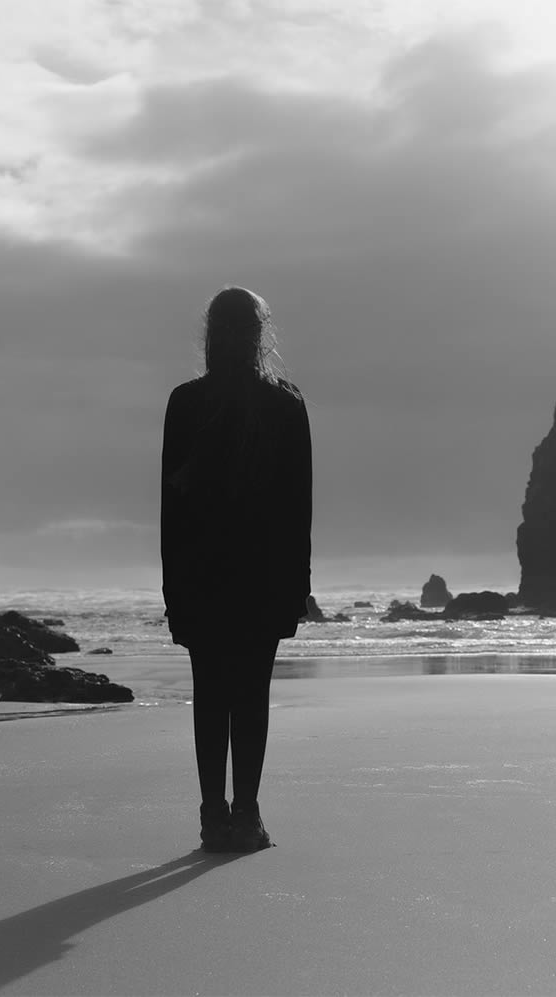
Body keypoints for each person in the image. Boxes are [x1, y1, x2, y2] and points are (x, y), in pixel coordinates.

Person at [161, 287, 312, 853]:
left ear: (209, 334)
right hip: (262, 578)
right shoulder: (285, 404)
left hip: (201, 577)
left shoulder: (186, 403)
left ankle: (212, 819)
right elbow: (300, 508)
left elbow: (169, 511)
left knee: (211, 697)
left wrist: (172, 592)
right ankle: (246, 817)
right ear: (260, 335)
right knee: (251, 697)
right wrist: (299, 587)